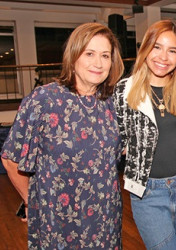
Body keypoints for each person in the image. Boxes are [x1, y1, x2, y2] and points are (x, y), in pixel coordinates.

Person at [1, 22, 124, 249]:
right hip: (55, 222)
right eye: (90, 54)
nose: (98, 63)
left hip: (105, 220)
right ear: (74, 56)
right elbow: (11, 159)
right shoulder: (44, 100)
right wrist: (32, 202)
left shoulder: (114, 103)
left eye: (105, 56)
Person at [112, 20, 176, 250]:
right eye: (157, 47)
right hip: (147, 193)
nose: (164, 57)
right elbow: (117, 141)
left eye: (172, 50)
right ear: (145, 49)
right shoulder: (124, 91)